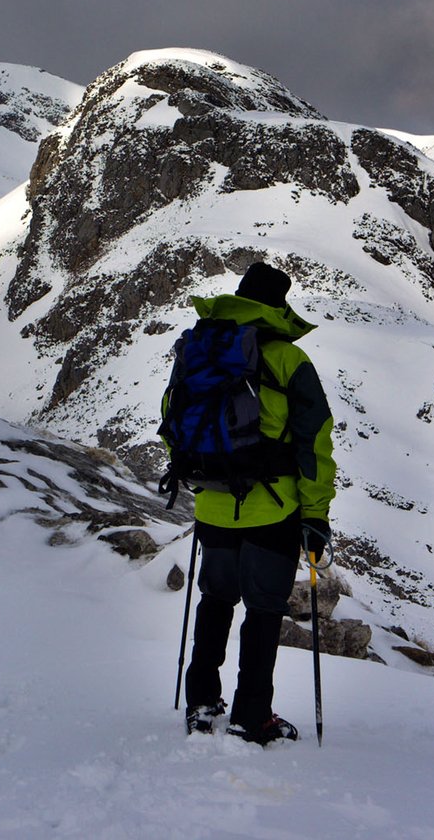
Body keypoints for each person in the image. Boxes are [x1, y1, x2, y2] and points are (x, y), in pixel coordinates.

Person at [166, 261, 337, 744]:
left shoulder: (199, 350)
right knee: (262, 611)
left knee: (215, 600)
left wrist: (205, 476)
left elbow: (171, 420)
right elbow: (315, 443)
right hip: (274, 507)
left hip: (212, 504)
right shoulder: (288, 360)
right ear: (278, 307)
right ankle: (251, 715)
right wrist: (316, 511)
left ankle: (200, 703)